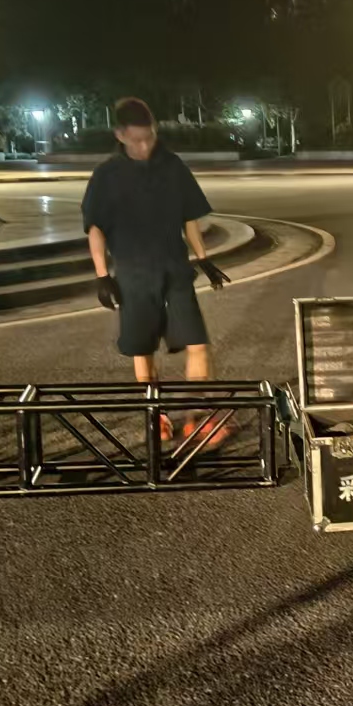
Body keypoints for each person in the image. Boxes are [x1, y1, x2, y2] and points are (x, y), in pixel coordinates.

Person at [82, 97, 232, 445]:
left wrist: (203, 258)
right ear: (120, 135)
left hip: (175, 269)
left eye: (149, 137)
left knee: (198, 343)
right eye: (136, 139)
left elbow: (189, 217)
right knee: (143, 348)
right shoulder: (106, 175)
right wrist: (102, 275)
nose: (144, 146)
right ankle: (156, 415)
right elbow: (95, 227)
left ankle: (198, 416)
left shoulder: (172, 166)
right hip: (133, 274)